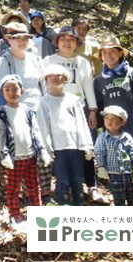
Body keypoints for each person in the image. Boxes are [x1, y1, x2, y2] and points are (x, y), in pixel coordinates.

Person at [42, 26, 102, 202]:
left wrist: (92, 110)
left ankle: (91, 185)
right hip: (56, 109)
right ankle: (64, 187)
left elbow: (88, 86)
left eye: (71, 40)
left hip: (80, 109)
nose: (67, 43)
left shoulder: (82, 62)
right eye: (63, 40)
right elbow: (44, 85)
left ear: (77, 42)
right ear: (57, 42)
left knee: (85, 146)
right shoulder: (49, 60)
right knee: (62, 149)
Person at [93, 34, 133, 196]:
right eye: (104, 53)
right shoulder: (98, 80)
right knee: (117, 165)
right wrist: (100, 128)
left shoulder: (132, 73)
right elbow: (99, 106)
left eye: (112, 51)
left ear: (121, 53)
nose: (108, 55)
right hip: (112, 131)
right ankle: (124, 197)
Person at [0, 75, 50, 230]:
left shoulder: (28, 111)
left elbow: (36, 132)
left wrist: (43, 151)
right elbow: (0, 136)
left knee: (33, 186)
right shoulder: (1, 113)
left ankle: (38, 214)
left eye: (15, 89)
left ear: (22, 91)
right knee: (13, 188)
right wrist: (4, 154)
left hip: (30, 156)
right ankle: (14, 215)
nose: (12, 92)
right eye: (7, 90)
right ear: (2, 93)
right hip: (14, 158)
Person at [36, 64, 94, 206]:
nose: (55, 78)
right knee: (63, 181)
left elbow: (81, 123)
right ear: (46, 79)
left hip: (75, 146)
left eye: (59, 75)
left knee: (77, 180)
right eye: (51, 76)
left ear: (66, 79)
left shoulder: (73, 100)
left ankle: (79, 207)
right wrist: (47, 150)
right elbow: (43, 127)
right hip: (58, 148)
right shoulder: (44, 102)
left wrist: (87, 145)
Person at [94, 105, 133, 206]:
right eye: (106, 118)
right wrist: (101, 167)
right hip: (114, 174)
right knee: (118, 199)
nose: (109, 121)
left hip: (129, 173)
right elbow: (99, 152)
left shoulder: (127, 137)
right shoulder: (102, 138)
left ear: (122, 122)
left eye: (113, 118)